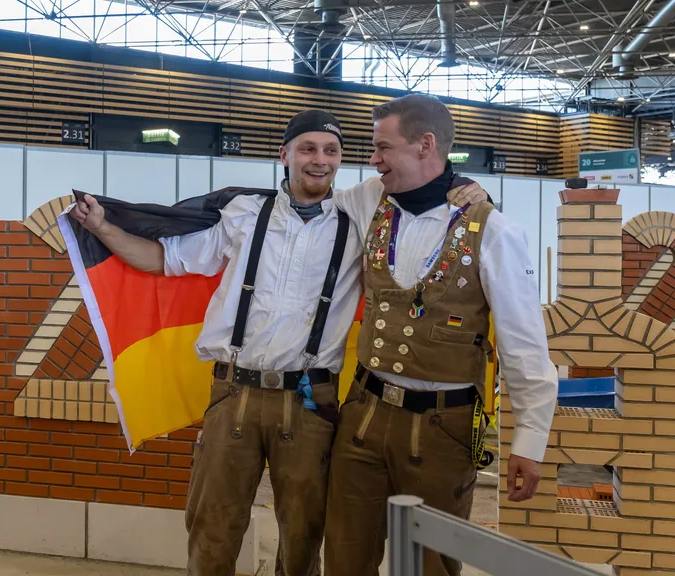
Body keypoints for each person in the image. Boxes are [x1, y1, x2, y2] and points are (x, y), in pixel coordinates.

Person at [72, 110, 487, 576]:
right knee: (212, 527)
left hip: (312, 403)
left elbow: (425, 178)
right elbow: (163, 259)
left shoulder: (360, 214)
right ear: (284, 154)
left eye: (332, 151)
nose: (320, 160)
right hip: (233, 394)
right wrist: (102, 228)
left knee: (304, 533)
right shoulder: (245, 213)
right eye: (308, 148)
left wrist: (468, 185)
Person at [323, 94, 558, 576]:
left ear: (425, 144)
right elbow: (300, 206)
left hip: (442, 429)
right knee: (346, 558)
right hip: (363, 415)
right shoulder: (369, 200)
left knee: (431, 566)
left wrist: (529, 442)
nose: (373, 158)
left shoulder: (495, 231)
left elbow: (524, 345)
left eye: (383, 147)